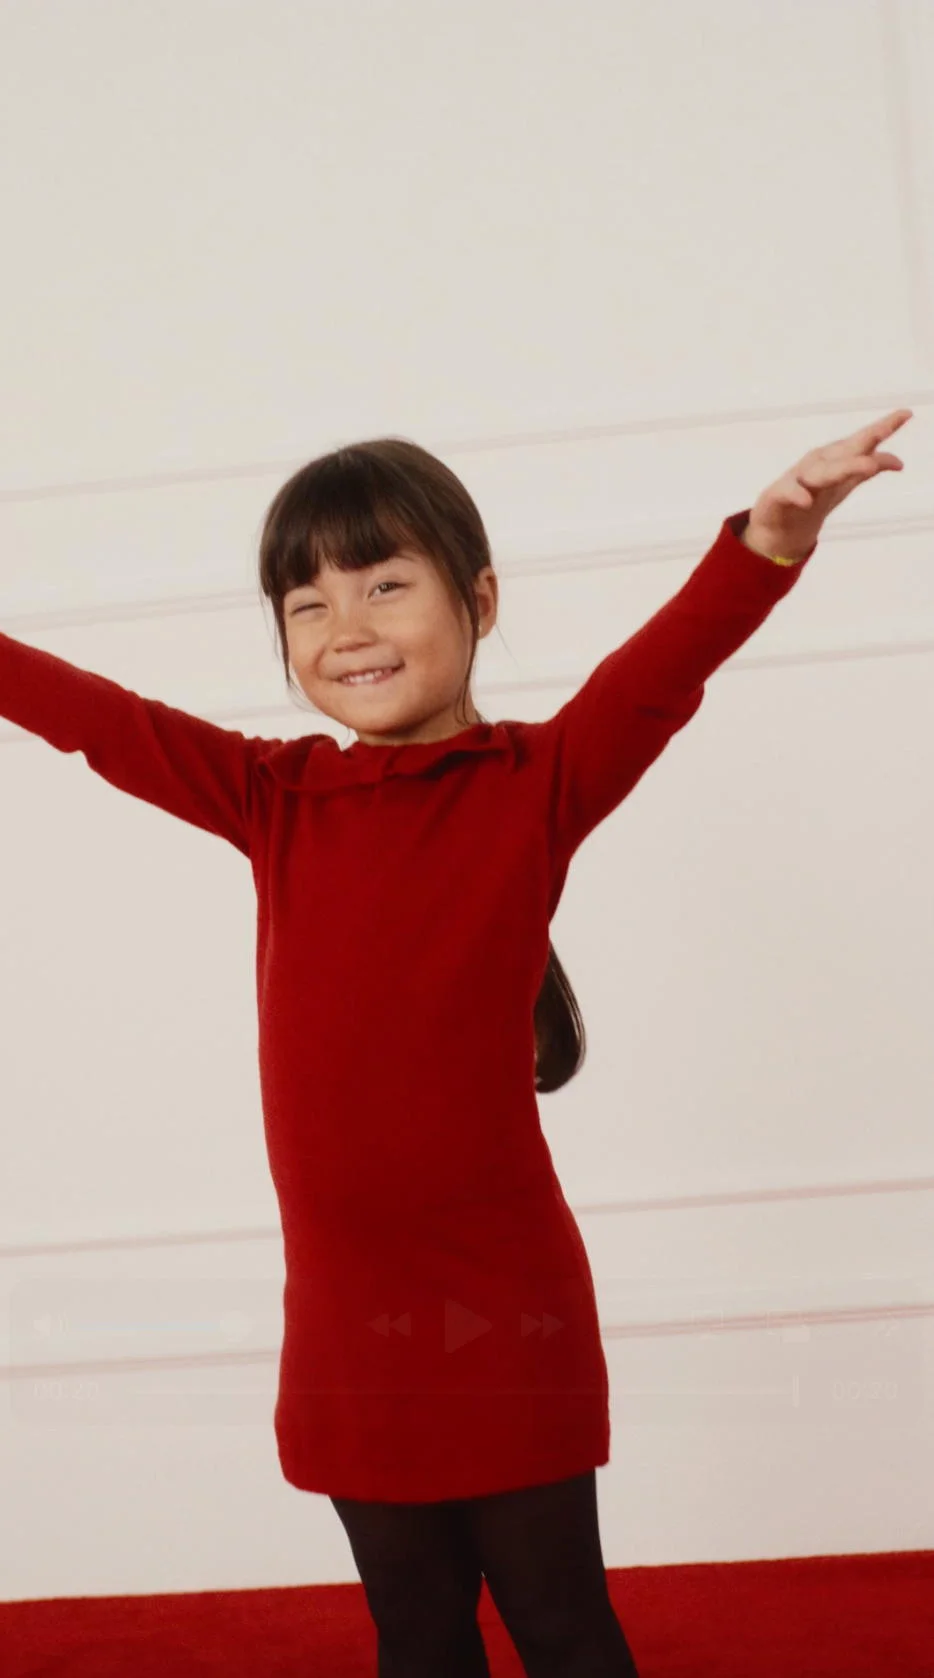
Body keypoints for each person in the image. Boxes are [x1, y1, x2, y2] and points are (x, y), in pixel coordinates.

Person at [0, 408, 911, 1677]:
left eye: (384, 583)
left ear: (478, 599)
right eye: (307, 604)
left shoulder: (534, 782)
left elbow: (660, 674)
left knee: (559, 1622)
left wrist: (768, 538)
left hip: (503, 1305)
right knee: (416, 1631)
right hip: (348, 1324)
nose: (347, 626)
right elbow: (99, 719)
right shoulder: (272, 797)